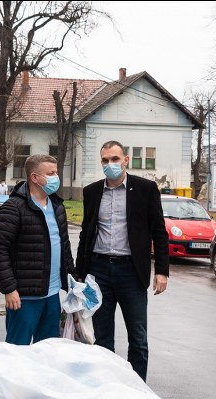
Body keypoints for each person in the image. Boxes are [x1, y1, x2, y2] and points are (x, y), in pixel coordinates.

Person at [75, 141, 168, 382]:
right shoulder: (92, 192)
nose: (110, 164)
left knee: (138, 337)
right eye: (105, 160)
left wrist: (162, 271)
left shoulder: (146, 189)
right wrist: (79, 273)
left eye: (115, 159)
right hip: (99, 271)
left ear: (125, 160)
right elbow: (86, 233)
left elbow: (159, 231)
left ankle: (137, 391)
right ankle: (108, 390)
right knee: (102, 338)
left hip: (131, 272)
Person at [0, 155, 75, 345]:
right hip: (24, 297)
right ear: (35, 177)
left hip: (52, 295)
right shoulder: (13, 208)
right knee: (17, 352)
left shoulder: (57, 206)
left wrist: (72, 280)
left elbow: (64, 245)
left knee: (48, 351)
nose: (56, 177)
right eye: (51, 173)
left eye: (56, 173)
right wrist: (9, 288)